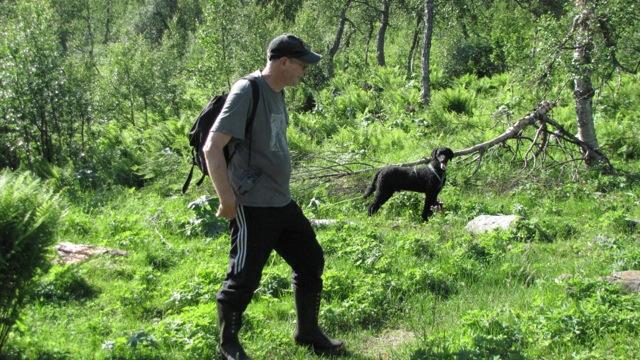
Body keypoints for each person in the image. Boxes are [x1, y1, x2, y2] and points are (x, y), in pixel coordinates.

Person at [202, 34, 345, 360]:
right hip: (253, 205)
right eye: (301, 64)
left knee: (310, 261)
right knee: (243, 278)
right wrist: (226, 199)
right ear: (284, 62)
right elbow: (212, 147)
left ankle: (307, 332)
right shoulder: (247, 91)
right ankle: (228, 346)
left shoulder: (278, 93)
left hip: (281, 201)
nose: (304, 71)